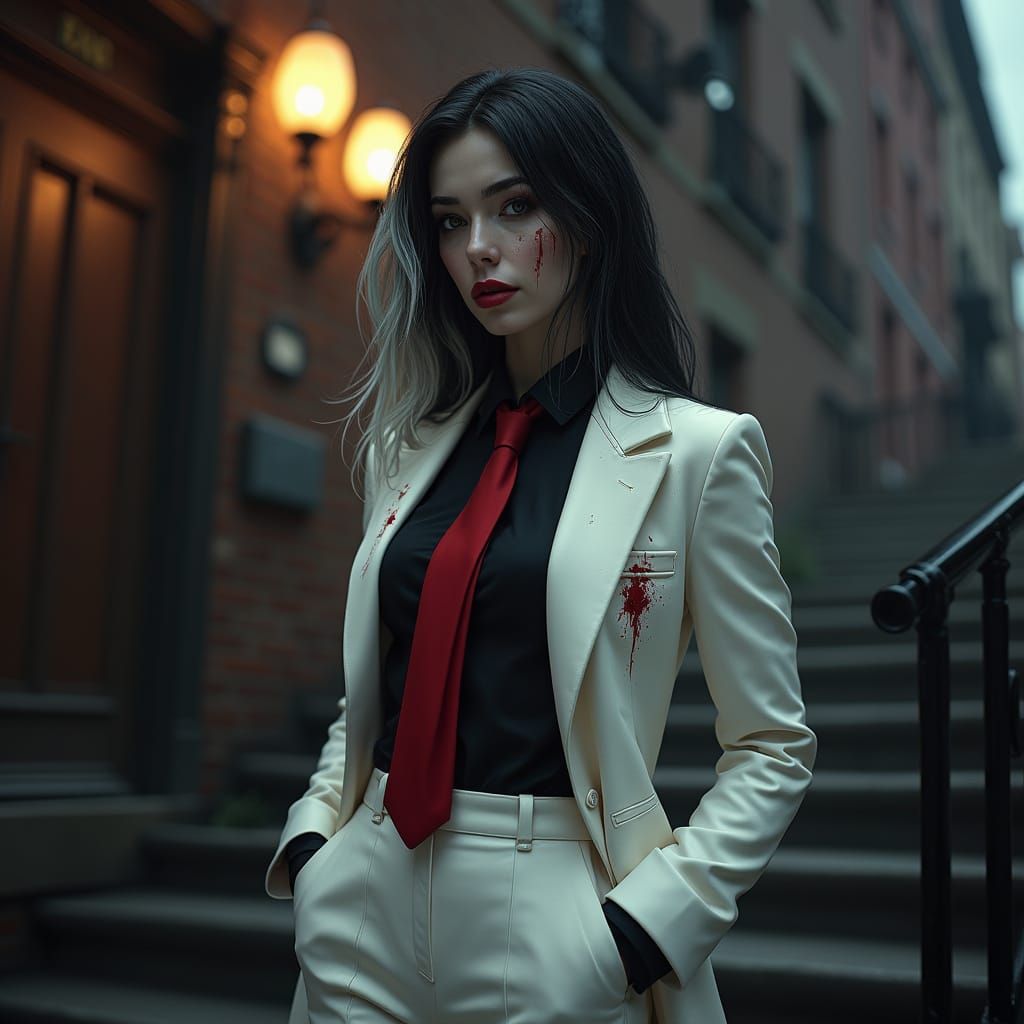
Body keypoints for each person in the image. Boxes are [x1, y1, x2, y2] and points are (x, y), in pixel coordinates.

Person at [264, 66, 817, 1024]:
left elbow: (771, 745)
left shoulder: (697, 455)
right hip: (363, 903)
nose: (480, 248)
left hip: (556, 915)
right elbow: (376, 690)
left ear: (589, 215)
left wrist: (640, 934)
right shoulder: (412, 447)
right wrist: (318, 841)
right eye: (448, 219)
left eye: (515, 207)